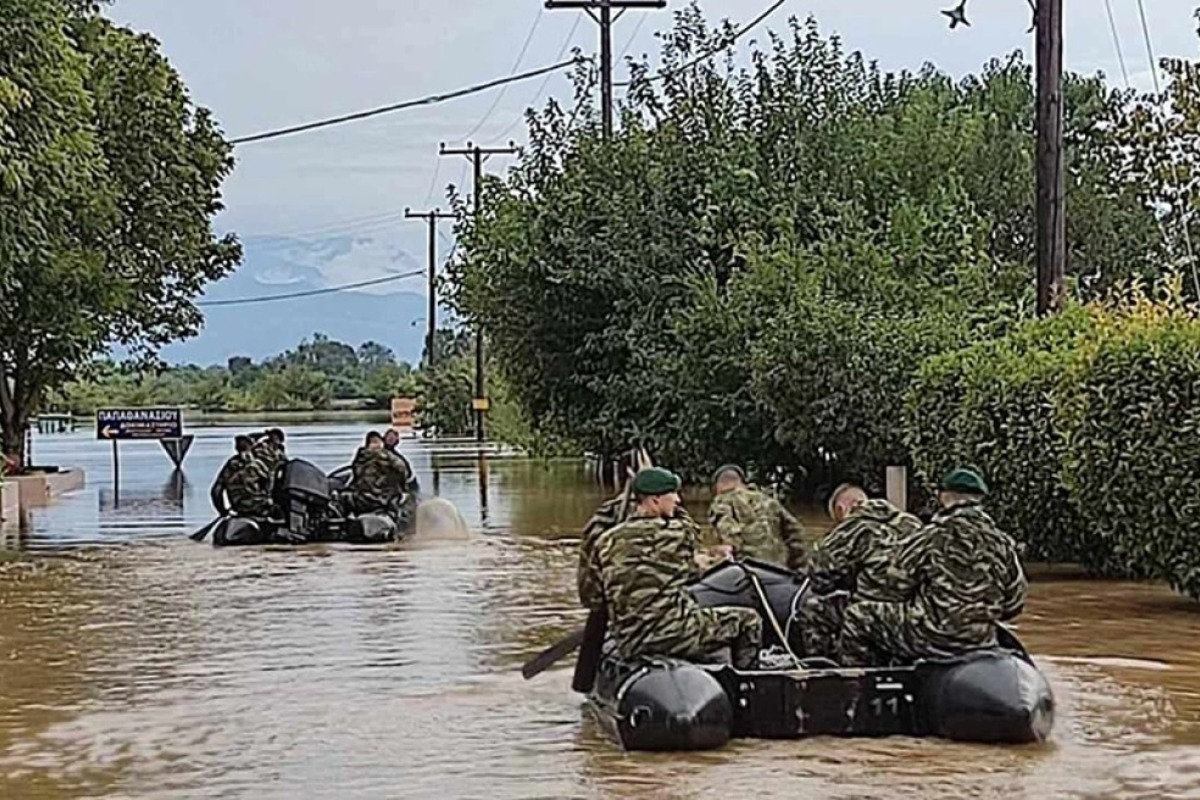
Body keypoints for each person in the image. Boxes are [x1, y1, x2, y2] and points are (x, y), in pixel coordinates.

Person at [838, 467, 1027, 666]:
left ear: (943, 496)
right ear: (980, 498)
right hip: (982, 640)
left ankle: (860, 689)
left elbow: (893, 585)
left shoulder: (931, 536)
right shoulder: (1002, 543)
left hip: (933, 638)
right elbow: (1014, 604)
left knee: (856, 615)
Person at [587, 467, 763, 669]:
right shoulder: (679, 534)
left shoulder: (606, 541)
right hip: (675, 632)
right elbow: (691, 531)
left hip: (630, 642)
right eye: (673, 495)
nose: (678, 500)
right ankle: (746, 685)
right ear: (655, 500)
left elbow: (591, 596)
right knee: (749, 621)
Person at [810, 483, 923, 600]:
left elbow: (820, 572)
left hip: (886, 607)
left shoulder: (853, 525)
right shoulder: (912, 521)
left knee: (812, 609)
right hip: (924, 603)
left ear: (840, 509)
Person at [707, 464, 808, 571]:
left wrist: (726, 550)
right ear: (742, 482)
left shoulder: (721, 501)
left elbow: (727, 529)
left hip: (749, 568)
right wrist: (798, 567)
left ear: (718, 486)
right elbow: (796, 532)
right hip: (779, 567)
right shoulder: (767, 500)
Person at [339, 431, 411, 515]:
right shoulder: (367, 456)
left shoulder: (364, 456)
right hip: (376, 497)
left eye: (378, 442)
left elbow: (402, 470)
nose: (376, 445)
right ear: (368, 445)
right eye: (373, 442)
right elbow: (402, 470)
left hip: (374, 496)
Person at [210, 435, 272, 517]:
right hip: (259, 508)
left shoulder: (229, 466)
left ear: (236, 448)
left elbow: (216, 491)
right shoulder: (257, 464)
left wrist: (223, 511)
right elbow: (269, 484)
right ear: (251, 446)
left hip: (239, 508)